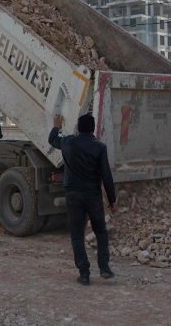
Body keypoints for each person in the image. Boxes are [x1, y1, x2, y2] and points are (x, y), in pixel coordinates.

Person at [48, 113, 116, 286]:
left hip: (72, 195)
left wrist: (57, 125)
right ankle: (104, 268)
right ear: (93, 129)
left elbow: (52, 139)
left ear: (78, 128)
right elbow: (106, 175)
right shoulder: (99, 147)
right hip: (93, 194)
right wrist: (111, 199)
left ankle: (84, 274)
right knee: (100, 231)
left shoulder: (68, 142)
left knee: (77, 234)